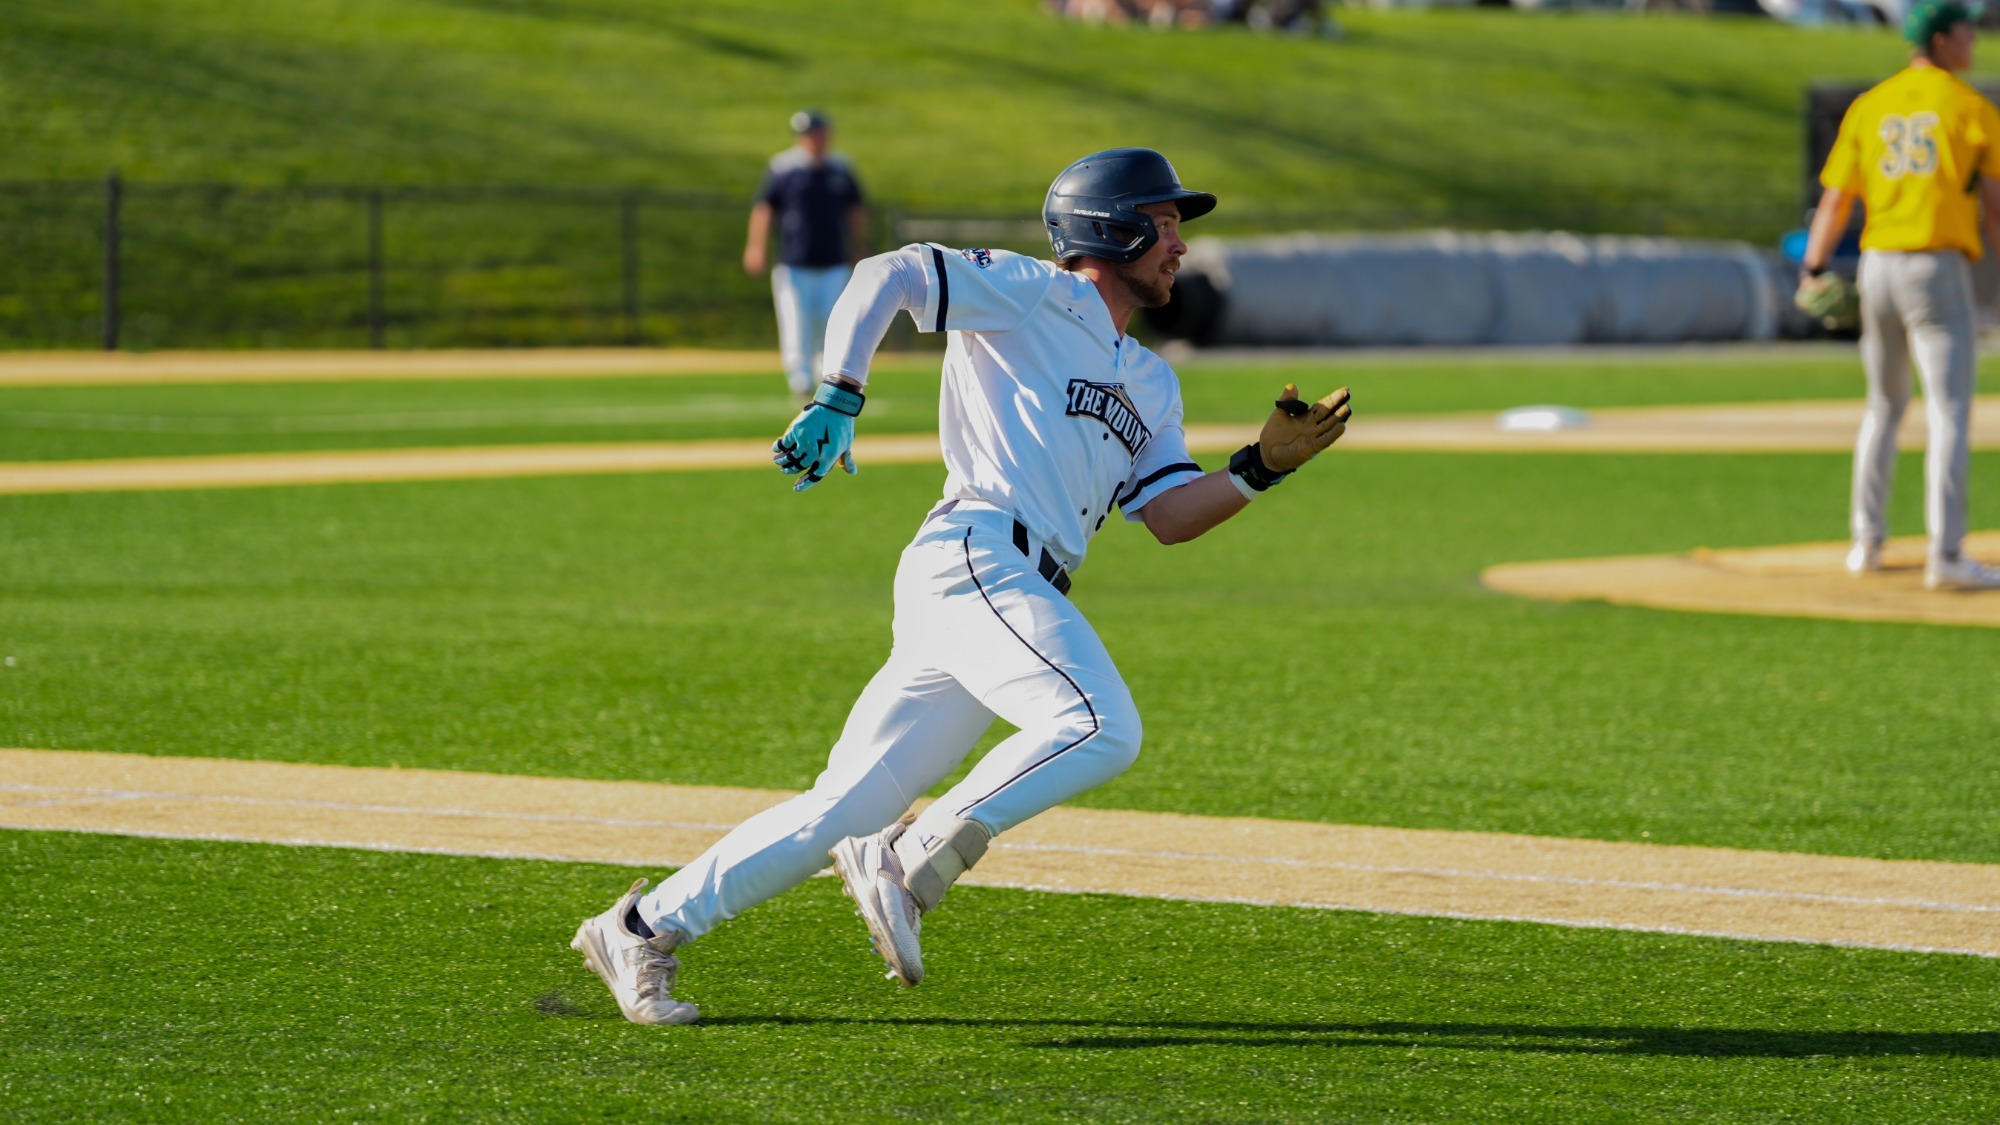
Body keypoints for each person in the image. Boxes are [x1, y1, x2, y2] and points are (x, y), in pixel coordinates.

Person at [570, 147, 1352, 1025]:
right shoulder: (1033, 291)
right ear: (1112, 225)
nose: (1179, 243)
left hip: (1009, 587)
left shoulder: (1151, 378)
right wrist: (839, 393)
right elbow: (885, 275)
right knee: (1097, 725)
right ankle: (911, 858)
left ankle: (639, 925)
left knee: (840, 806)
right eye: (1165, 223)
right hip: (978, 554)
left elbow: (1168, 514)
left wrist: (1259, 469)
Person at [1800, 0, 2000, 591]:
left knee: (1883, 407)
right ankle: (1947, 555)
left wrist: (1813, 266)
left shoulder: (1870, 104)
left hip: (1875, 265)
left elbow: (1836, 200)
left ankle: (1867, 542)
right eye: (1964, 30)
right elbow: (1995, 205)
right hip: (1933, 266)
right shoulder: (1969, 106)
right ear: (1939, 41)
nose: (1973, 39)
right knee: (1950, 412)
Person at [743, 110, 870, 399]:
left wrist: (859, 245)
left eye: (818, 131)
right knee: (795, 322)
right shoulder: (784, 166)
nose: (814, 137)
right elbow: (765, 209)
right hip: (794, 262)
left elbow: (855, 210)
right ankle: (799, 378)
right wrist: (756, 246)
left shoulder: (840, 167)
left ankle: (828, 375)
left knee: (834, 321)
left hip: (834, 260)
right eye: (808, 133)